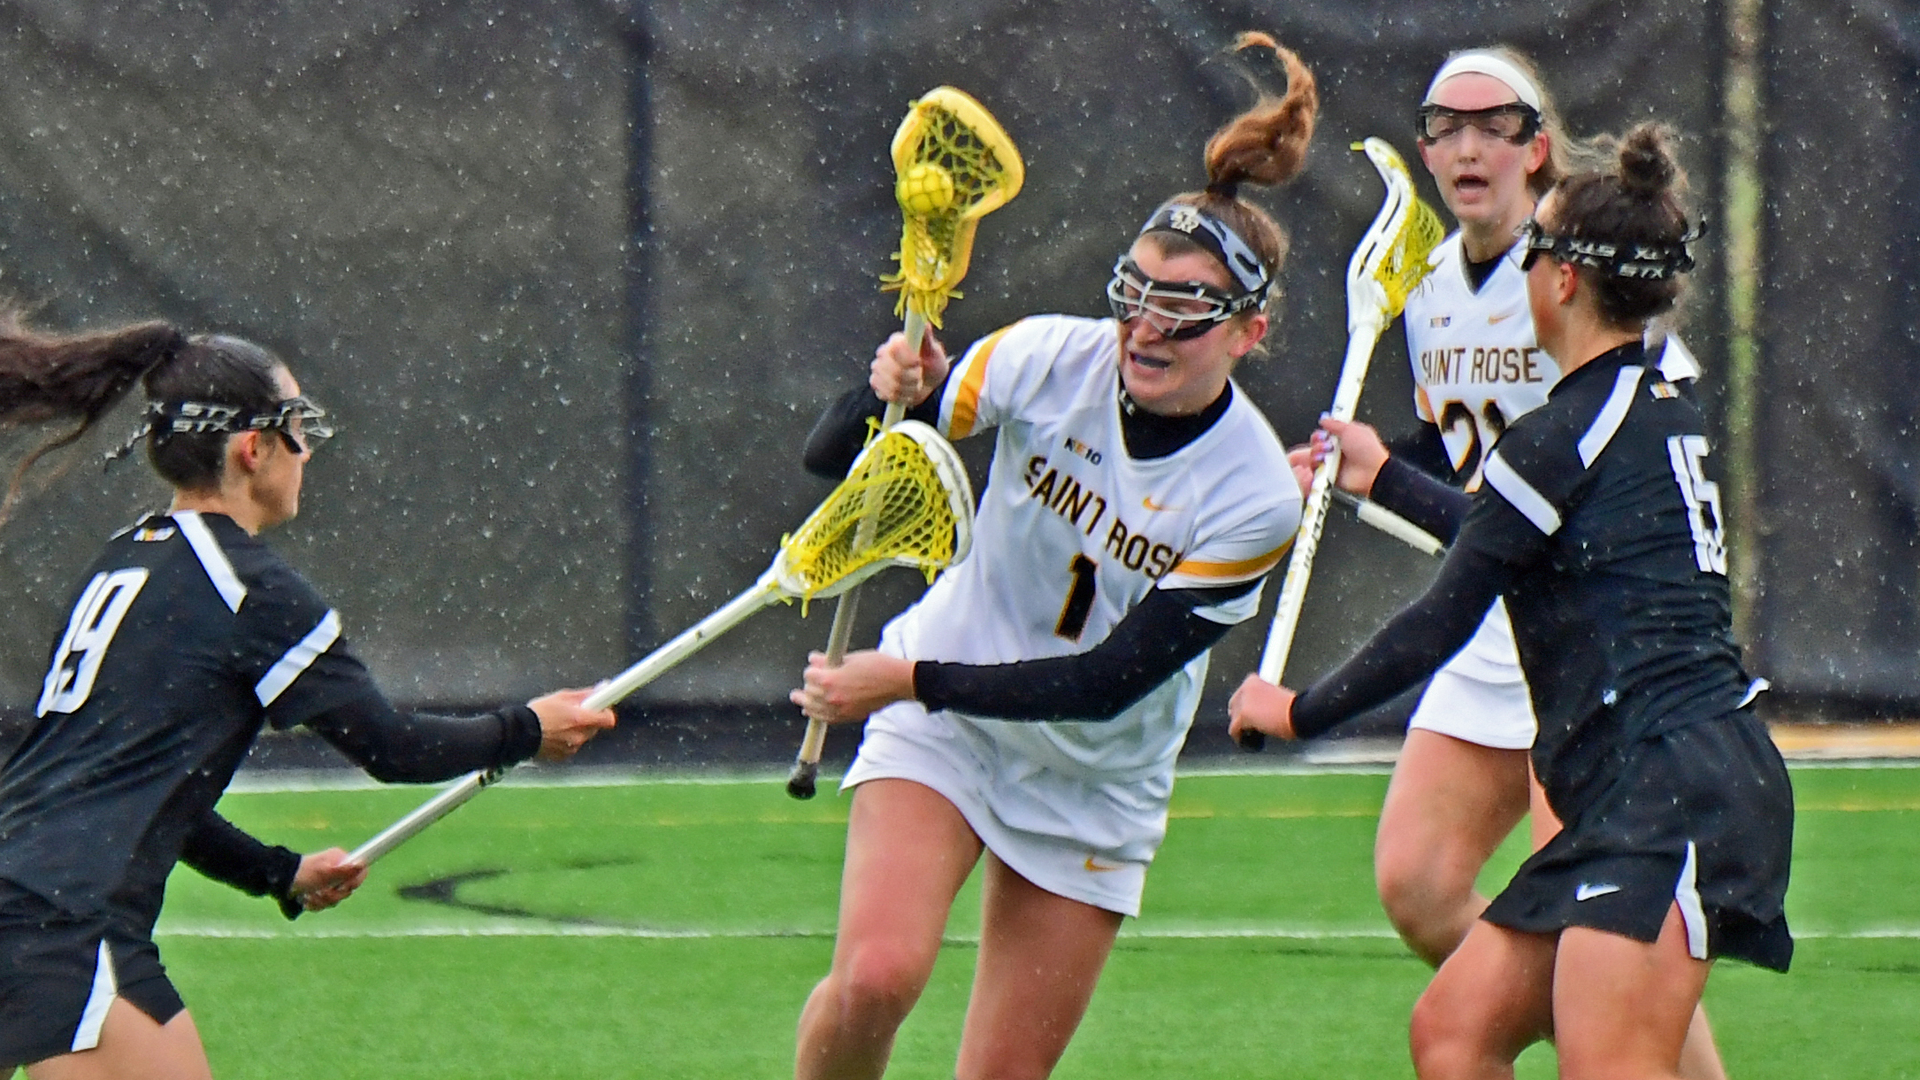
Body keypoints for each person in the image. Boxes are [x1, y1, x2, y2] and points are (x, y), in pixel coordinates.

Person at [785, 33, 1313, 1080]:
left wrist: (905, 679)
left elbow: (1106, 682)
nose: (1145, 331)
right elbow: (832, 459)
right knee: (876, 981)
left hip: (1090, 777)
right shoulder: (1042, 358)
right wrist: (888, 384)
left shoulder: (1253, 496)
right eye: (1137, 295)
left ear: (1247, 334)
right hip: (947, 727)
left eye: (1183, 311)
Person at [1230, 122, 1792, 1080]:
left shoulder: (1561, 433)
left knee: (1608, 1064)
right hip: (1641, 785)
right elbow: (1518, 542)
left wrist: (1296, 711)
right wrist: (1385, 477)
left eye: (1536, 251)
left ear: (1563, 280)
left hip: (1668, 788)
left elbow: (1441, 617)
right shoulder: (1646, 404)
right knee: (1453, 1035)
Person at [0, 319, 617, 1078]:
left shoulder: (128, 557)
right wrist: (526, 729)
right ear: (251, 450)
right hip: (66, 920)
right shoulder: (250, 590)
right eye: (297, 428)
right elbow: (391, 748)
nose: (309, 451)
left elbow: (157, 788)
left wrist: (275, 872)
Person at [1360, 47, 1729, 1077]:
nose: (1467, 146)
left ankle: (1611, 1037)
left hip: (1581, 632)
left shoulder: (1590, 260)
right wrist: (1375, 464)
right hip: (1490, 627)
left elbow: (1640, 425)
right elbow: (1462, 453)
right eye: (1445, 125)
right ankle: (1606, 1032)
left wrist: (1387, 481)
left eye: (1494, 125)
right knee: (1421, 884)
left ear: (1538, 146)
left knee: (1595, 923)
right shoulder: (1429, 287)